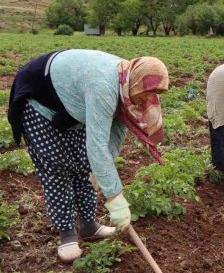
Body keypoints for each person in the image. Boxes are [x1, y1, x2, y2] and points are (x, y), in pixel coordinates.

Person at [7, 50, 169, 262]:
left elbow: (115, 134)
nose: (147, 99)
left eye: (152, 94)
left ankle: (88, 226)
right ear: (137, 81)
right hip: (40, 102)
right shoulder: (104, 86)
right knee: (57, 169)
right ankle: (66, 234)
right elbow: (97, 145)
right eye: (146, 92)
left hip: (73, 105)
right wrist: (115, 199)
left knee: (85, 165)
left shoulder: (127, 86)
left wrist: (99, 170)